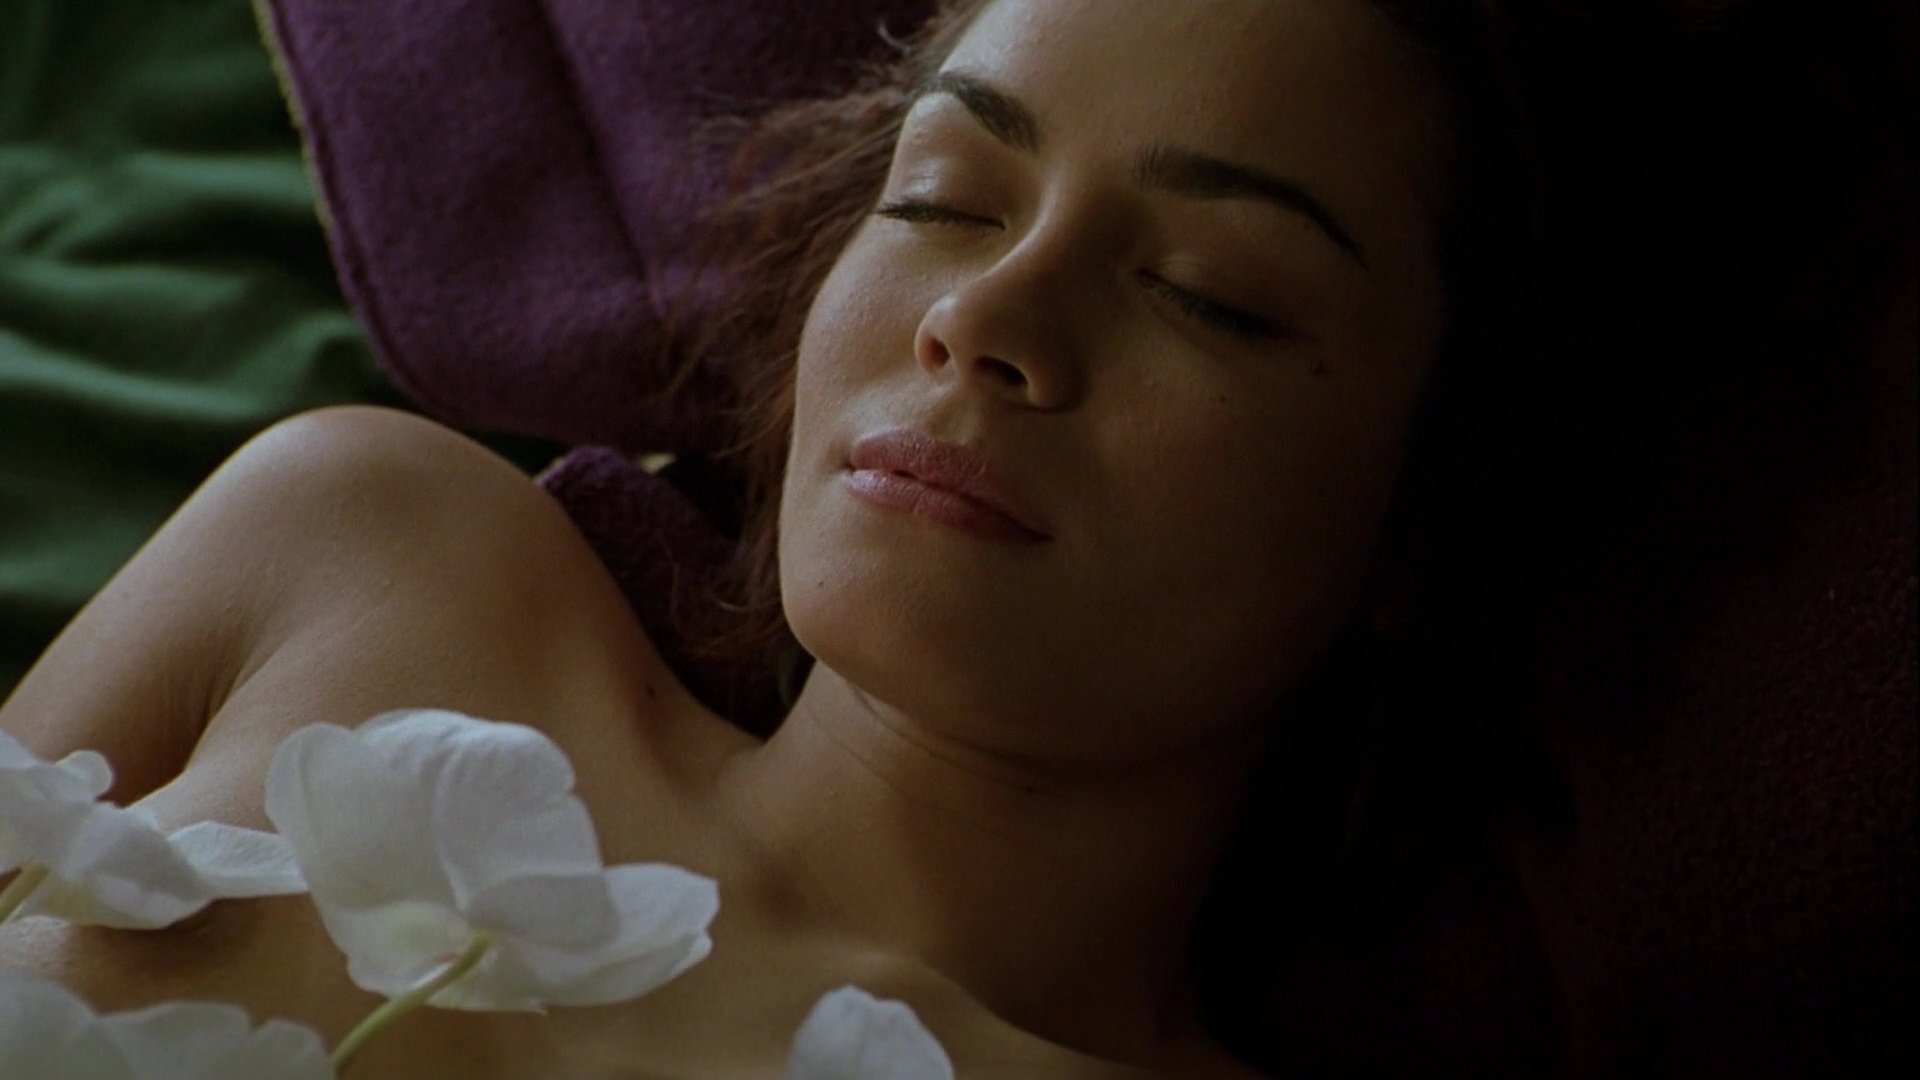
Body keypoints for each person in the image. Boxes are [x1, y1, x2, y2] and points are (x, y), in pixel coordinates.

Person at [2, 0, 1889, 1075]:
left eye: (1215, 296)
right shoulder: (352, 547)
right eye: (945, 197)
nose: (986, 319)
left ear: (1437, 499)